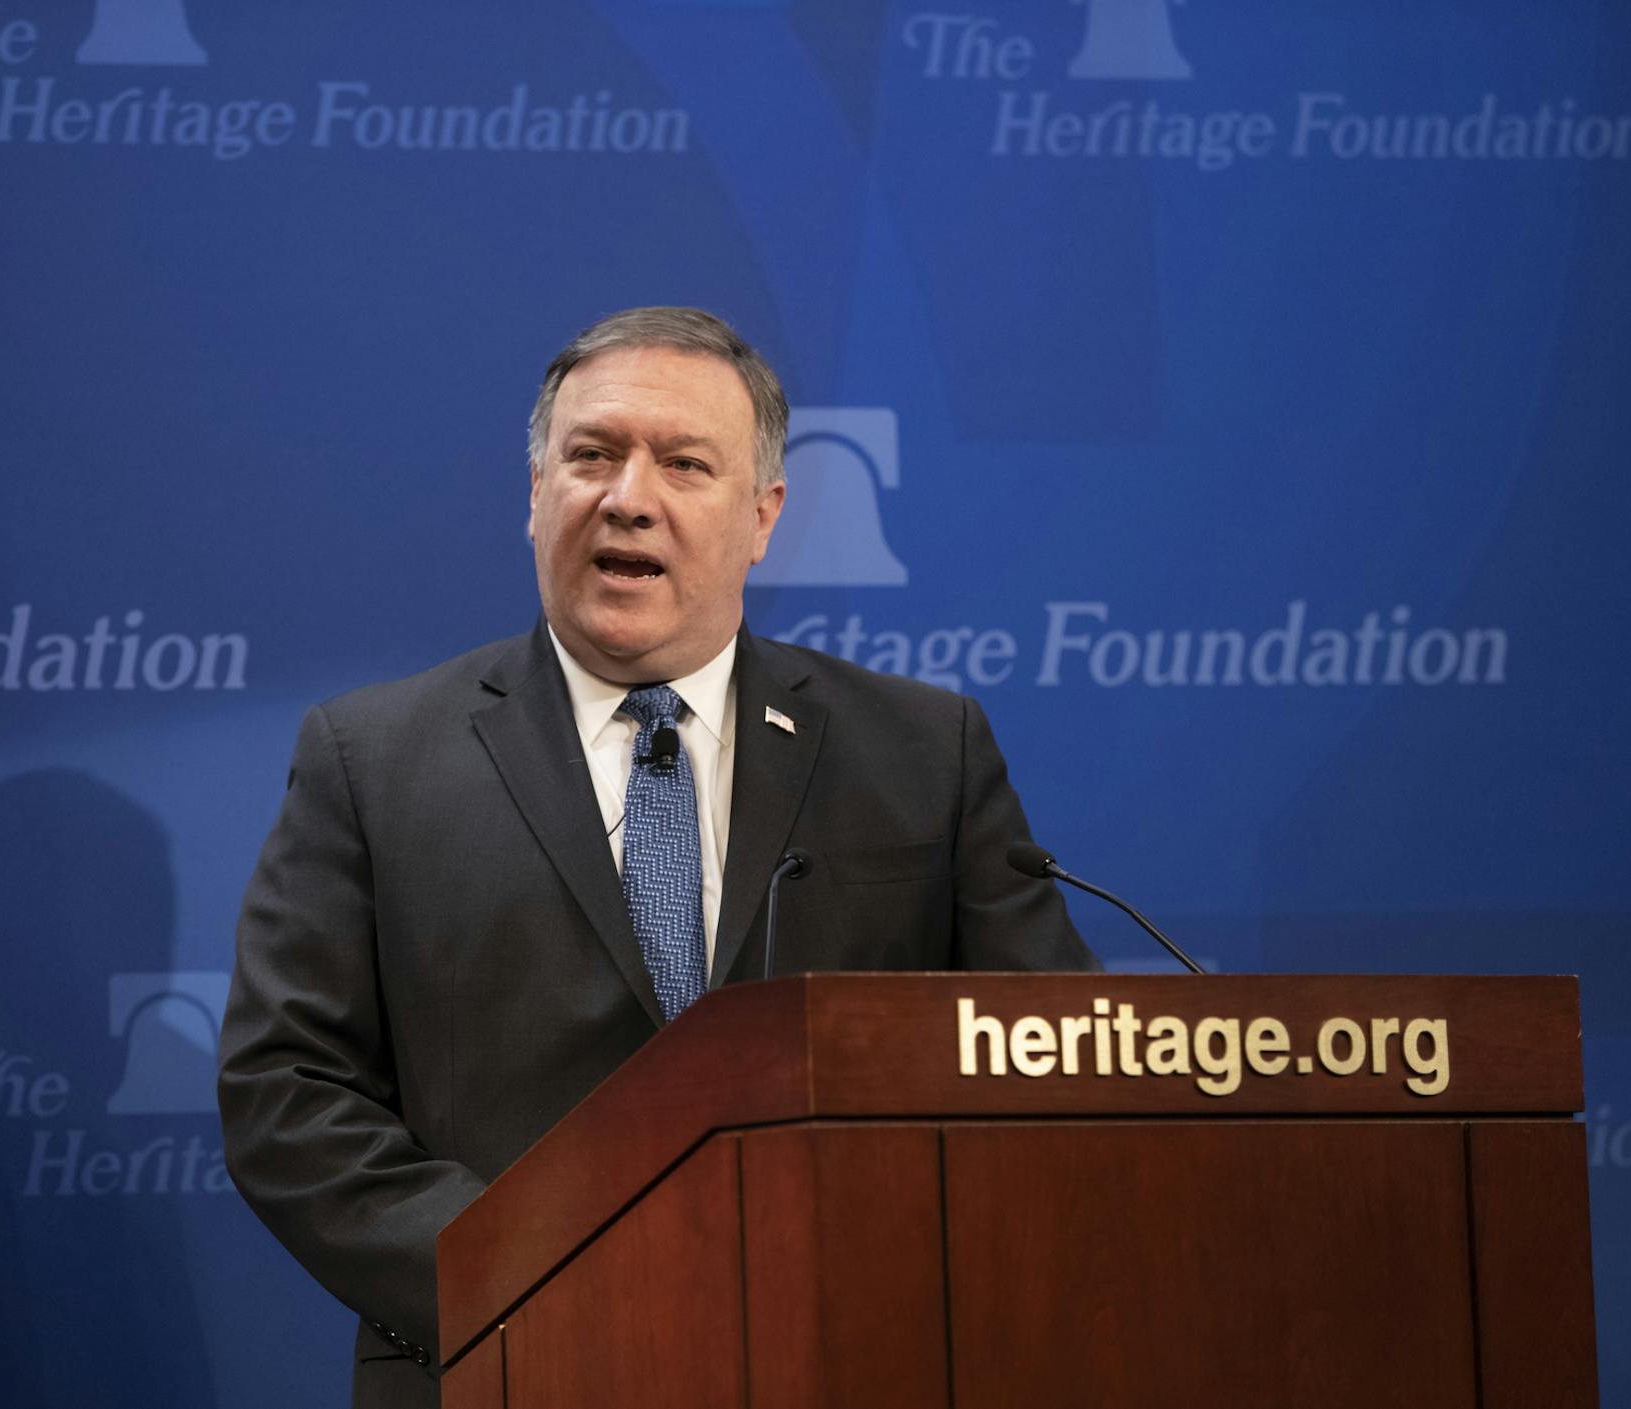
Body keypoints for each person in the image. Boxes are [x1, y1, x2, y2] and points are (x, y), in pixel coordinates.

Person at [218, 307, 1098, 1409]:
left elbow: (1047, 1064)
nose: (628, 495)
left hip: (851, 1353)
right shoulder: (374, 758)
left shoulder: (923, 751)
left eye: (685, 463)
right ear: (535, 493)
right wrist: (533, 1271)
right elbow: (288, 1088)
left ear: (764, 515)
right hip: (506, 1362)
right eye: (591, 454)